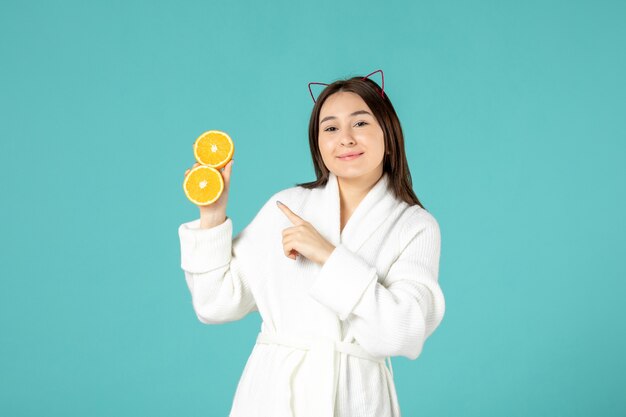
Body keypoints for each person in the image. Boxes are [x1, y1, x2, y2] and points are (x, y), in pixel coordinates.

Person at [178, 69, 445, 417]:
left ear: (389, 136)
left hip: (357, 399)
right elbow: (214, 304)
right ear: (318, 144)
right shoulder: (286, 208)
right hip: (272, 396)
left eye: (360, 124)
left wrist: (328, 256)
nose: (345, 138)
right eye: (330, 128)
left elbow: (401, 334)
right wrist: (212, 215)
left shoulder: (414, 226)